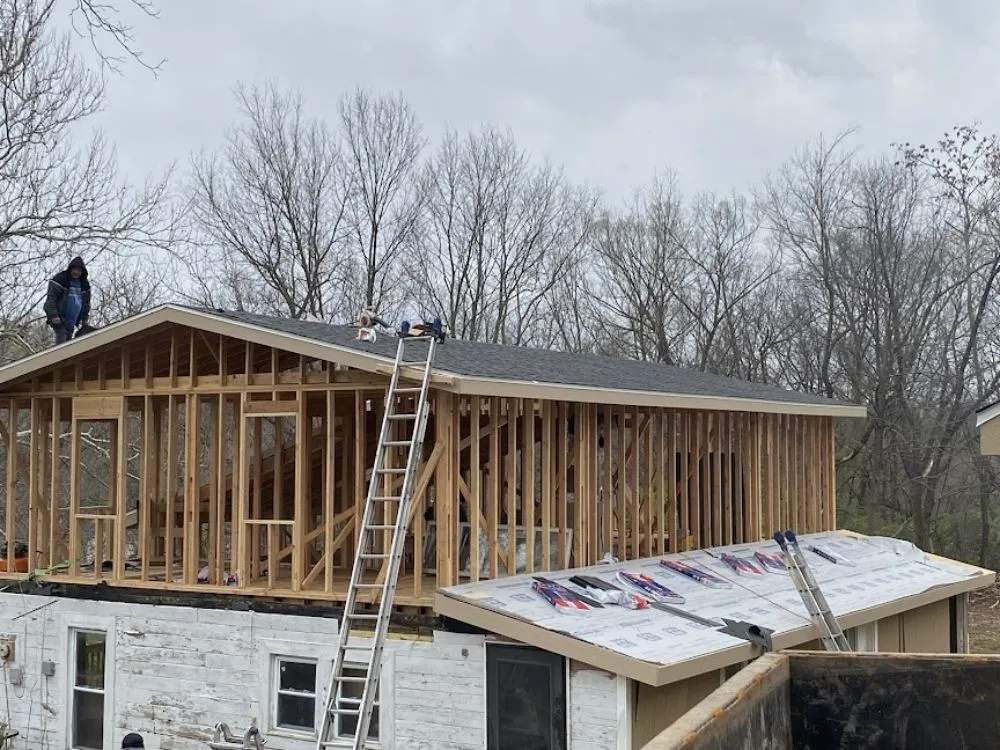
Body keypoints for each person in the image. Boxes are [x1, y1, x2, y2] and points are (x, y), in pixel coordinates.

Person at [43, 256, 91, 345]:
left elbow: (86, 303)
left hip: (72, 321)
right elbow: (51, 299)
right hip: (59, 317)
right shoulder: (61, 279)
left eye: (79, 271)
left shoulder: (84, 285)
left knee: (68, 343)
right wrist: (54, 315)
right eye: (75, 269)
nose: (76, 272)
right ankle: (59, 357)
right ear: (70, 269)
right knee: (61, 339)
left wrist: (84, 319)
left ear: (82, 272)